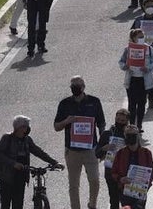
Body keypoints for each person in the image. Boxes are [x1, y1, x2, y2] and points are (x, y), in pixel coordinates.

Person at [53, 75, 106, 209]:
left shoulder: (94, 101)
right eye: (73, 86)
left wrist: (101, 145)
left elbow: (101, 124)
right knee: (74, 184)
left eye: (77, 86)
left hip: (91, 149)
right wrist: (67, 121)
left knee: (94, 180)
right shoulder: (64, 103)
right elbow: (56, 126)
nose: (75, 88)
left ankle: (92, 204)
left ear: (83, 87)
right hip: (72, 151)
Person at [0, 114, 60, 209]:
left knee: (18, 204)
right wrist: (14, 164)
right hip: (7, 177)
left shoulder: (27, 140)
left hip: (20, 176)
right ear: (19, 128)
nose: (28, 128)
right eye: (26, 126)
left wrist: (54, 162)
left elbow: (38, 152)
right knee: (6, 204)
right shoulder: (7, 138)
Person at [119, 28, 153, 130]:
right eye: (139, 37)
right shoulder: (128, 49)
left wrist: (148, 68)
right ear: (133, 38)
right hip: (132, 80)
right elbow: (121, 62)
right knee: (132, 105)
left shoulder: (149, 49)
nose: (142, 39)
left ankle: (139, 126)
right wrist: (126, 67)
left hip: (144, 81)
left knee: (142, 104)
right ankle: (132, 125)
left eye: (143, 37)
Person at [110, 126, 153, 209]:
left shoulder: (146, 153)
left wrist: (146, 185)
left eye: (133, 135)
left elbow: (151, 172)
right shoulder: (120, 153)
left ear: (137, 136)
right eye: (128, 135)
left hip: (140, 192)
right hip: (125, 191)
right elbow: (113, 172)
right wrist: (120, 179)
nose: (130, 137)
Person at [95, 108, 130, 209]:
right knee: (114, 200)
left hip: (125, 172)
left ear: (127, 121)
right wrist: (104, 148)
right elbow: (97, 153)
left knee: (126, 202)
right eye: (118, 120)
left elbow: (137, 151)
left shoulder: (130, 135)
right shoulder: (107, 134)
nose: (119, 122)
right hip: (110, 172)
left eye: (122, 121)